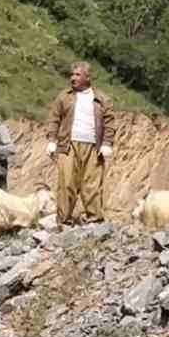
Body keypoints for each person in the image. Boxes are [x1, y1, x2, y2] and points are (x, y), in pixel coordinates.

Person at [46, 62, 115, 227]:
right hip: (68, 145)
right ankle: (64, 221)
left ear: (87, 77)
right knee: (66, 183)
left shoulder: (102, 99)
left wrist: (107, 143)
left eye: (77, 75)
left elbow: (109, 122)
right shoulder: (64, 96)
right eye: (72, 74)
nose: (73, 78)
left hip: (93, 147)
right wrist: (52, 140)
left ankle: (95, 220)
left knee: (91, 184)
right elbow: (54, 118)